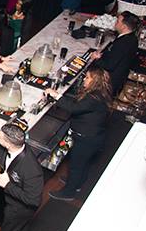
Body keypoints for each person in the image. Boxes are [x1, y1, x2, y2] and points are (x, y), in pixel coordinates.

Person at [45, 68, 112, 201]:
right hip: (94, 137)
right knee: (83, 164)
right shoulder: (100, 94)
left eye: (87, 78)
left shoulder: (93, 98)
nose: (84, 80)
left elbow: (73, 108)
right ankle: (76, 183)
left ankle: (68, 193)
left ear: (95, 81)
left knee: (76, 165)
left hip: (86, 138)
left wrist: (56, 95)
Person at [89, 11, 140, 96]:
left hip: (109, 83)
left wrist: (96, 58)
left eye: (117, 22)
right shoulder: (132, 38)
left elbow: (109, 66)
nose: (115, 23)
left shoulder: (123, 43)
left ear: (124, 26)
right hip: (119, 79)